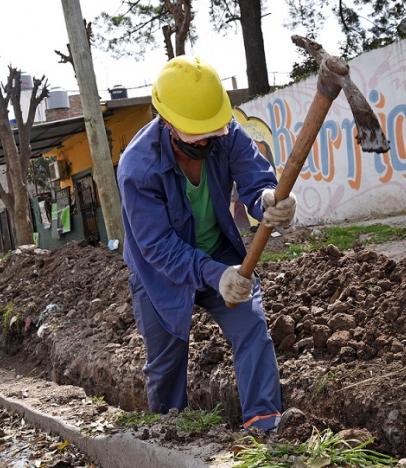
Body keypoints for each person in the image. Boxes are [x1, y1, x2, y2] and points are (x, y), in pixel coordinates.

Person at [117, 56, 297, 433]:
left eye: (213, 130)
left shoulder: (227, 134)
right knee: (166, 362)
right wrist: (214, 276)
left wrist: (266, 199)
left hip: (219, 253)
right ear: (167, 122)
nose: (207, 139)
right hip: (159, 273)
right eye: (196, 133)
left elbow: (255, 180)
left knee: (250, 324)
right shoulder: (138, 168)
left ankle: (264, 425)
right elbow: (159, 247)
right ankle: (171, 434)